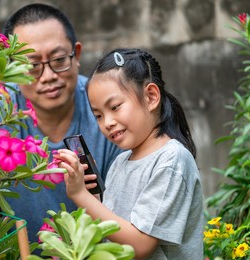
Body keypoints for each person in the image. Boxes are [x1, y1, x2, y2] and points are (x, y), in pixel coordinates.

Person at [0, 4, 122, 244]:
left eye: (59, 60)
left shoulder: (107, 109)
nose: (48, 76)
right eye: (32, 65)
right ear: (11, 66)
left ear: (76, 54)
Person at [55, 48, 204, 259]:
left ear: (151, 97)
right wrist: (92, 196)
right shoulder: (120, 161)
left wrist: (79, 196)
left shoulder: (171, 160)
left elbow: (141, 244)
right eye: (98, 115)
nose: (107, 122)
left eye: (115, 107)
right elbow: (111, 233)